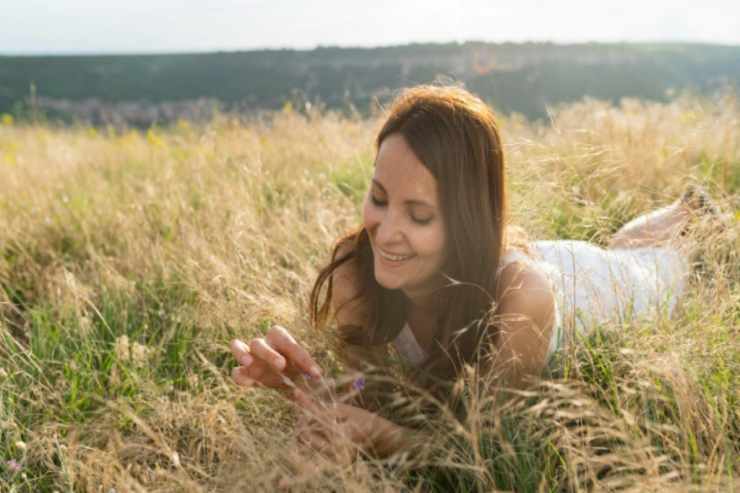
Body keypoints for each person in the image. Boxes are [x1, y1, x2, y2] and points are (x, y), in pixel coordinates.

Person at [229, 84, 721, 465]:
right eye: (378, 199)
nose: (386, 233)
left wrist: (385, 440)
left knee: (648, 264)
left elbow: (482, 450)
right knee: (619, 244)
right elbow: (373, 387)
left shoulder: (523, 300)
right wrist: (314, 387)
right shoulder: (356, 271)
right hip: (527, 260)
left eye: (419, 215)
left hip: (587, 289)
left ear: (466, 222)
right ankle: (685, 208)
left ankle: (695, 212)